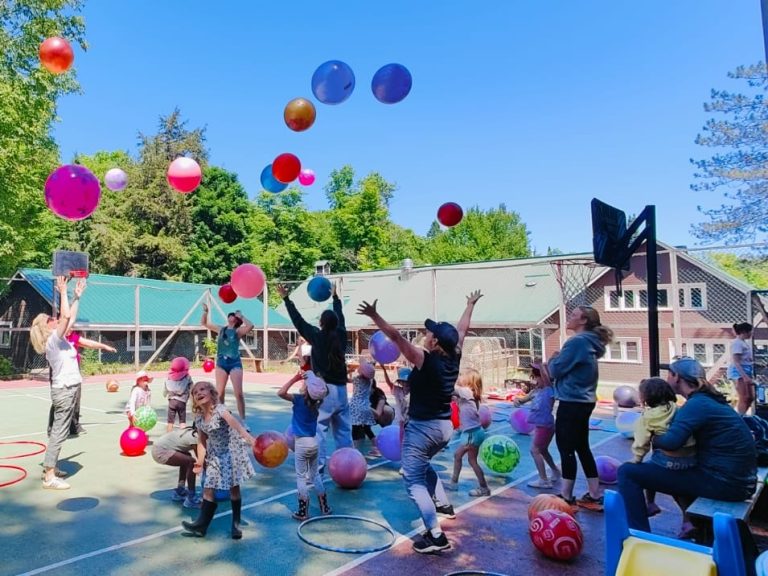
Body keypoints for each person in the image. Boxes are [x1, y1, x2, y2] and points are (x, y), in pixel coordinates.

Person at [357, 289, 482, 554]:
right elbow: (462, 330)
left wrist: (374, 315)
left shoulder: (425, 359)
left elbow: (396, 337)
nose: (425, 334)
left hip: (423, 430)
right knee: (422, 466)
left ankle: (436, 536)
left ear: (435, 342)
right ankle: (443, 504)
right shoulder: (454, 353)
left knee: (413, 481)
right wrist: (469, 304)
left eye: (430, 333)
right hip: (445, 428)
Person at [617, 357, 757, 534]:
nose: (667, 379)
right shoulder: (706, 400)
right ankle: (692, 524)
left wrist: (651, 436)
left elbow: (671, 443)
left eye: (669, 374)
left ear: (676, 377)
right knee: (676, 467)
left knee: (628, 472)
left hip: (726, 484)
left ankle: (637, 535)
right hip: (737, 480)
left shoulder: (696, 405)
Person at [278, 282, 351, 472]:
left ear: (321, 323)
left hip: (323, 392)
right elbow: (341, 318)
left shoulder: (317, 337)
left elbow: (298, 321)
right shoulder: (342, 335)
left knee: (319, 429)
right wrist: (336, 298)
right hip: (342, 391)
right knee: (343, 431)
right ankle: (348, 465)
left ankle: (318, 466)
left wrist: (286, 298)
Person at [547, 305, 613, 512]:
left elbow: (555, 370)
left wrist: (553, 359)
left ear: (583, 321)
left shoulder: (577, 342)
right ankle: (594, 494)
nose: (569, 318)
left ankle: (566, 496)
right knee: (581, 446)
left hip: (572, 401)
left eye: (574, 315)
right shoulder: (591, 343)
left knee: (565, 447)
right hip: (584, 400)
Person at [29, 276, 86, 490]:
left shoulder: (59, 340)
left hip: (68, 390)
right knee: (59, 433)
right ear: (47, 327)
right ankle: (49, 476)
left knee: (59, 432)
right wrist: (63, 291)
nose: (55, 319)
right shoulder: (53, 341)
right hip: (64, 392)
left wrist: (77, 296)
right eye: (50, 319)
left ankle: (51, 467)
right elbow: (66, 316)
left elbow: (70, 318)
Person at [182, 381, 255, 539]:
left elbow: (236, 425)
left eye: (202, 389)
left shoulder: (220, 410)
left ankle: (235, 525)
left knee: (233, 489)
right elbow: (202, 441)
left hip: (231, 453)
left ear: (211, 393)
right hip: (215, 455)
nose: (199, 393)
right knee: (208, 488)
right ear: (194, 399)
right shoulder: (200, 419)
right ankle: (201, 526)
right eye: (195, 392)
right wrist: (200, 461)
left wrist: (248, 438)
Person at [631, 377, 696, 523]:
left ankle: (650, 503)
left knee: (646, 472)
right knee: (678, 488)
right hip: (689, 459)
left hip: (668, 460)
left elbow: (641, 442)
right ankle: (687, 520)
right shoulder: (677, 408)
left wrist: (636, 458)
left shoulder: (647, 417)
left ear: (645, 397)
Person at [277, 370, 332, 520]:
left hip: (301, 443)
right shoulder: (318, 402)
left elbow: (280, 393)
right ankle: (325, 507)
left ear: (306, 388)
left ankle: (303, 512)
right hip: (314, 443)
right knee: (315, 476)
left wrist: (294, 378)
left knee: (301, 477)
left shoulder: (299, 399)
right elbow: (321, 391)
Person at [46, 330, 117, 437]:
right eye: (68, 326)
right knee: (61, 399)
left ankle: (74, 426)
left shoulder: (74, 337)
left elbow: (88, 343)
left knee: (75, 398)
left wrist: (104, 346)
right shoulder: (56, 337)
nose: (71, 329)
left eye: (72, 327)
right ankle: (52, 427)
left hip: (74, 372)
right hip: (60, 372)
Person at [201, 304, 254, 424]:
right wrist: (206, 311)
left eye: (235, 316)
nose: (232, 315)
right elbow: (204, 323)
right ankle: (221, 416)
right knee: (219, 393)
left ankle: (242, 420)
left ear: (237, 320)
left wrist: (242, 316)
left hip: (234, 363)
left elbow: (250, 326)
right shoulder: (221, 329)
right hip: (221, 363)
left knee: (239, 393)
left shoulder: (238, 331)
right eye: (231, 314)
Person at [513, 360, 561, 488]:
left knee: (534, 450)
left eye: (537, 378)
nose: (535, 381)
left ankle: (544, 480)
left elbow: (546, 378)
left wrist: (541, 366)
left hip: (545, 425)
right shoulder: (535, 392)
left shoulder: (548, 390)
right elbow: (522, 400)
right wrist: (517, 401)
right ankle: (556, 471)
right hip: (542, 426)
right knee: (543, 450)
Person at [445, 368, 490, 497]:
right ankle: (483, 488)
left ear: (469, 381)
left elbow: (453, 389)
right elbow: (453, 397)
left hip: (472, 433)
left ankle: (454, 482)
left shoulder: (466, 391)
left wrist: (445, 378)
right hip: (474, 432)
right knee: (472, 461)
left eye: (462, 376)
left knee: (457, 455)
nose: (460, 377)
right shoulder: (468, 395)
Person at [151, 425, 202, 508]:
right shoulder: (195, 437)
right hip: (160, 451)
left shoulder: (190, 431)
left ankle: (180, 491)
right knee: (191, 462)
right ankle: (191, 499)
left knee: (186, 457)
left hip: (158, 448)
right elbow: (201, 459)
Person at [349, 360, 380, 457]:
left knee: (355, 428)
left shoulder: (358, 379)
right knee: (367, 429)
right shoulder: (370, 381)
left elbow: (346, 380)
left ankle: (354, 450)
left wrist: (349, 371)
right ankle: (376, 448)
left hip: (356, 407)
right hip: (366, 406)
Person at [729, 322, 754, 415]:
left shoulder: (743, 343)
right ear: (744, 331)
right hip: (739, 371)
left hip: (746, 370)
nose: (751, 334)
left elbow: (745, 359)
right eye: (750, 332)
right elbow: (736, 361)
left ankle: (743, 415)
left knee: (750, 397)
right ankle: (740, 417)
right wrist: (744, 377)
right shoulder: (737, 343)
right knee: (744, 397)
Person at [164, 357, 193, 432]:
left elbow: (165, 389)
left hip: (172, 401)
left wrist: (165, 394)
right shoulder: (187, 377)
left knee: (170, 421)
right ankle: (182, 435)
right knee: (182, 420)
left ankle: (168, 435)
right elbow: (192, 388)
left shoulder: (169, 377)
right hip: (182, 402)